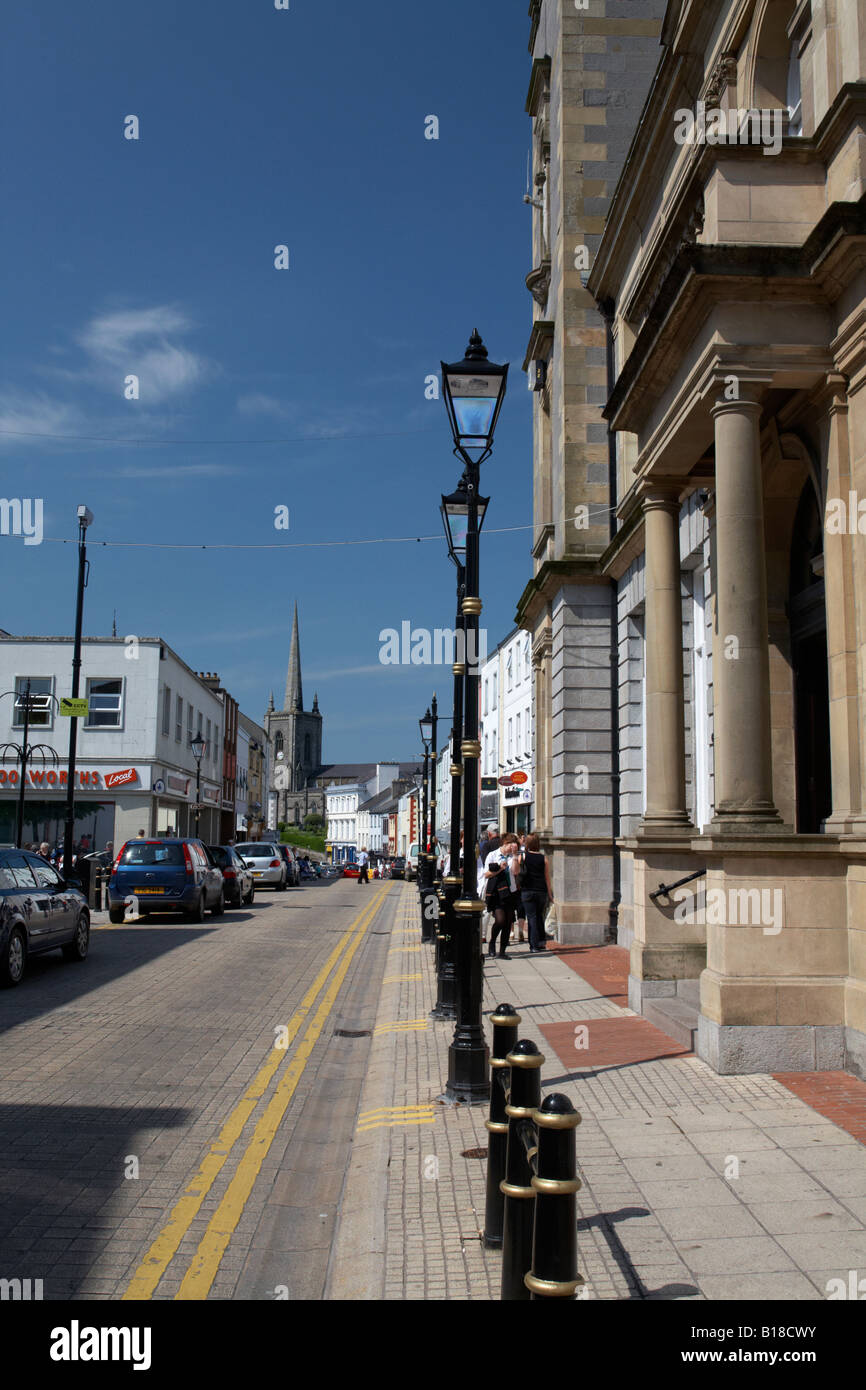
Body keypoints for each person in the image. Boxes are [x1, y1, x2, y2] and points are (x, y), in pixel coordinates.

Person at [483, 833, 520, 960]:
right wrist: (499, 868)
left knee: (508, 921)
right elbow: (486, 874)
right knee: (500, 920)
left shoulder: (512, 856)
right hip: (496, 892)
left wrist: (515, 855)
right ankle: (492, 942)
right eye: (511, 846)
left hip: (510, 891)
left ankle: (502, 951)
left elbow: (515, 872)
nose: (512, 848)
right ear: (505, 844)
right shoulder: (492, 855)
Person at [520, 833, 555, 953]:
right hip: (541, 891)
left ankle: (533, 945)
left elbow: (517, 873)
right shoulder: (543, 858)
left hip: (527, 890)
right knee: (539, 916)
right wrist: (550, 894)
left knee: (532, 918)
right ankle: (541, 942)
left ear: (527, 844)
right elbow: (547, 878)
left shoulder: (524, 857)